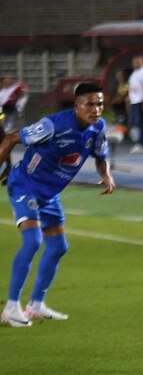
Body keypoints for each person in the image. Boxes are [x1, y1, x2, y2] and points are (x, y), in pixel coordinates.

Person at [0, 83, 115, 328]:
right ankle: (10, 308)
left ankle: (36, 305)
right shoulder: (54, 125)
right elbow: (11, 138)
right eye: (90, 104)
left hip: (49, 194)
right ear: (77, 106)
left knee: (58, 246)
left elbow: (101, 154)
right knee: (32, 241)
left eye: (100, 104)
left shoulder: (98, 127)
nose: (96, 109)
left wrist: (106, 174)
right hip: (25, 185)